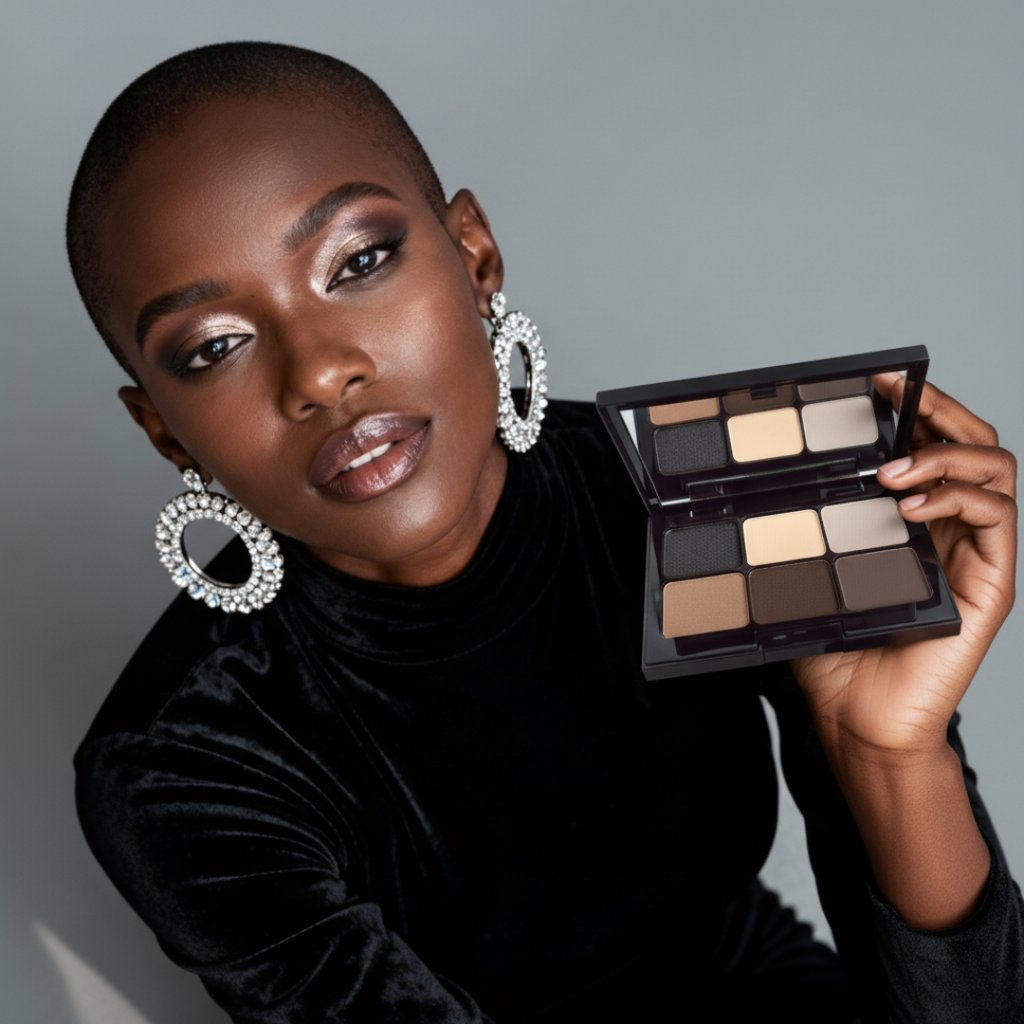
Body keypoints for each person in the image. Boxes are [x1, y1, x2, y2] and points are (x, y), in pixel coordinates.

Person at [67, 41, 1022, 1022]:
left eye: (357, 260)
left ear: (474, 256)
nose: (315, 373)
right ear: (165, 433)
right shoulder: (187, 756)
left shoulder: (717, 489)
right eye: (212, 346)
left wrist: (887, 754)